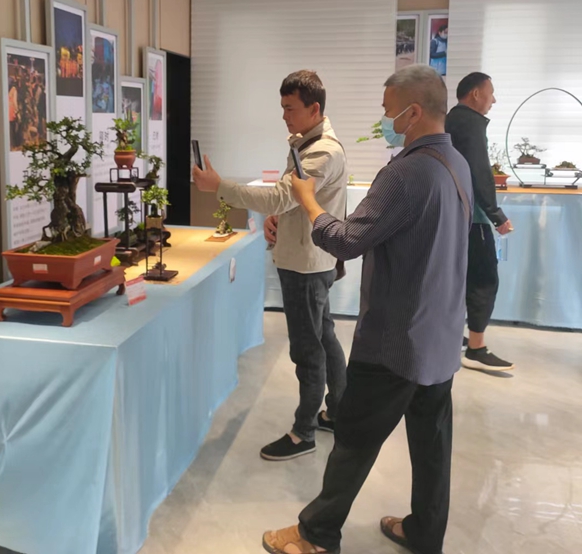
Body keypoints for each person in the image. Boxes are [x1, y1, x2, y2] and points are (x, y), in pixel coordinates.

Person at [261, 65, 472, 554]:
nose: (383, 120)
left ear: (413, 113)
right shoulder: (456, 163)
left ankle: (316, 536)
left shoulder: (404, 173)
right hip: (441, 336)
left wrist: (309, 202)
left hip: (396, 340)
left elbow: (347, 241)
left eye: (387, 111)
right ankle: (424, 533)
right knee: (432, 445)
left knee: (354, 438)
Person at [192, 70, 348, 461]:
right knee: (324, 337)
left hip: (306, 266)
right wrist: (280, 217)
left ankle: (303, 432)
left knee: (308, 350)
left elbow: (280, 196)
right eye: (282, 107)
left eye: (290, 108)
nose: (284, 116)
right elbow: (292, 201)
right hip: (309, 259)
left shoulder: (321, 152)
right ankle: (338, 412)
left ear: (314, 109)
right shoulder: (306, 143)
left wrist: (220, 187)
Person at [446, 72, 514, 372]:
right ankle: (476, 348)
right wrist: (496, 214)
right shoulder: (471, 123)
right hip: (473, 217)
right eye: (491, 93)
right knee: (484, 278)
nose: (493, 100)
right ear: (475, 94)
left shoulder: (451, 119)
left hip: (453, 214)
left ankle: (452, 335)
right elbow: (479, 171)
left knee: (456, 278)